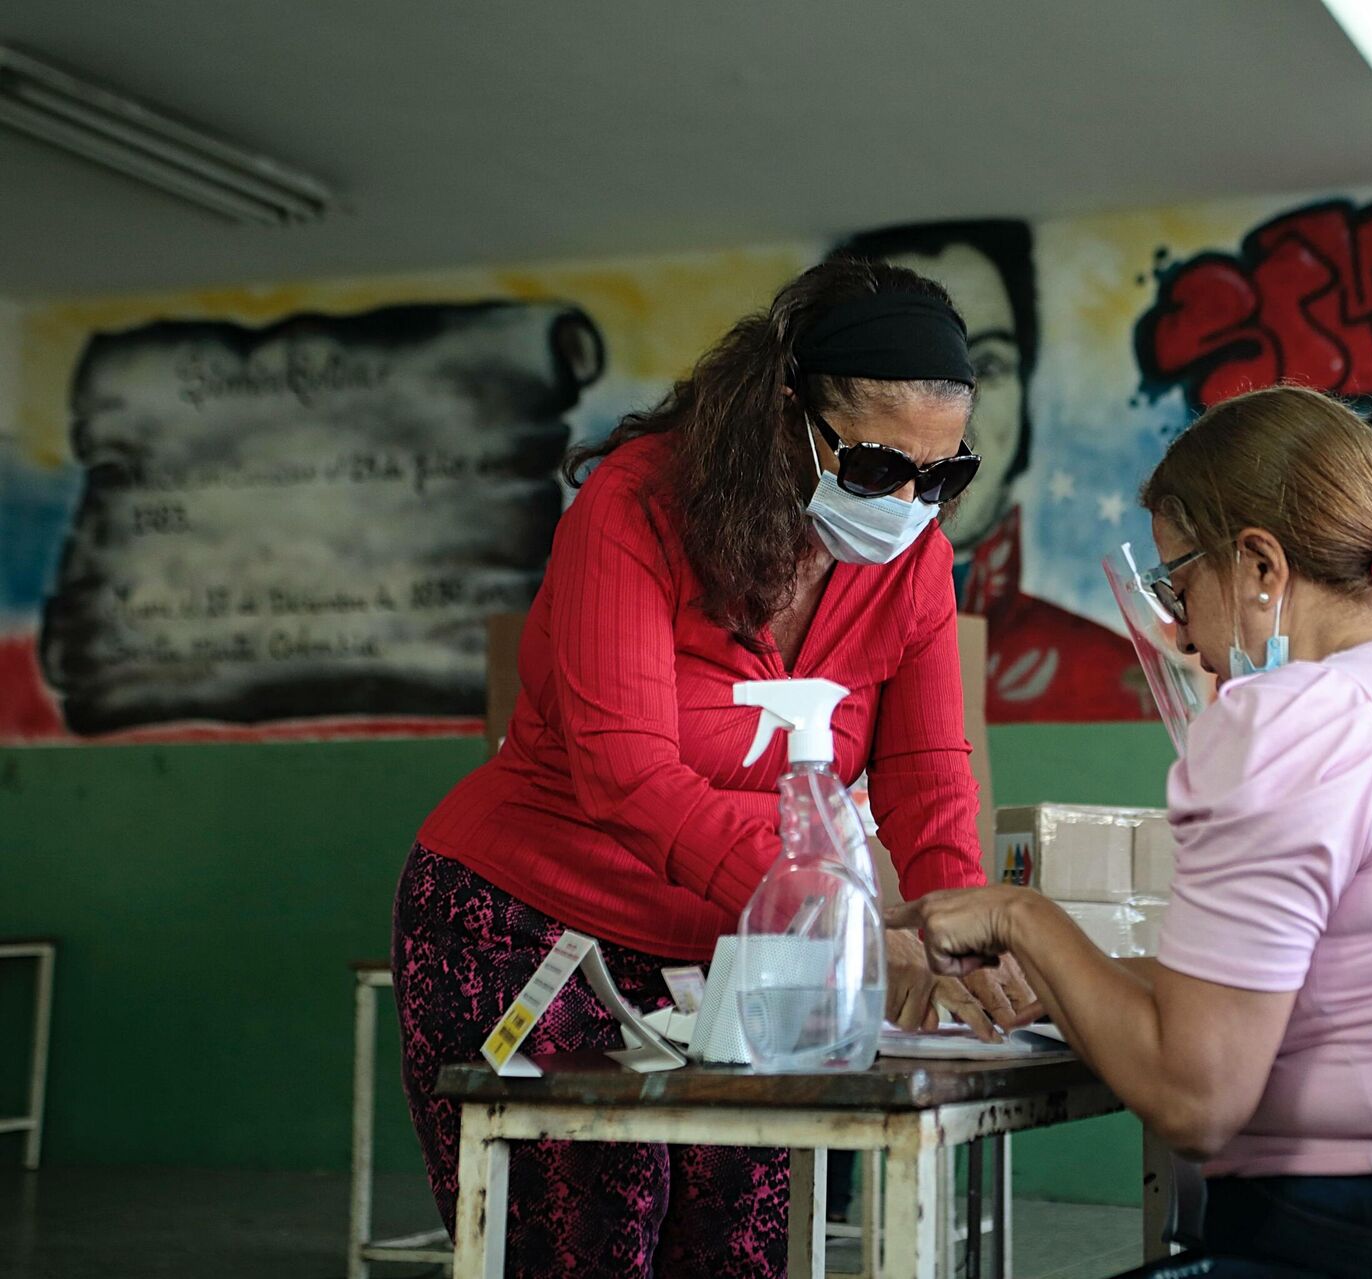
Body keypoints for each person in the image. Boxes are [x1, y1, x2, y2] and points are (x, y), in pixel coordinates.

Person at [891, 385, 1372, 1278]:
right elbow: (1349, 976)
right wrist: (1077, 978)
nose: (1180, 627)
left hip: (1369, 1232)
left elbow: (1194, 1098)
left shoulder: (1292, 717)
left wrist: (1020, 917)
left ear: (1261, 567)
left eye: (1180, 581)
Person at [393, 258, 1034, 1279]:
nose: (911, 503)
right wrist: (844, 912)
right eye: (875, 468)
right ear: (789, 413)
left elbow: (928, 766)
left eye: (941, 476)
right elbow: (628, 777)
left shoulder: (908, 551)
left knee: (736, 1250)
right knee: (583, 1251)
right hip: (532, 927)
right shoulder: (636, 506)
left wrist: (963, 922)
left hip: (735, 951)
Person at [838, 220, 1150, 722]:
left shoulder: (1111, 680)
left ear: (1027, 396)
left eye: (989, 365)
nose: (951, 411)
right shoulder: (771, 638)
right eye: (903, 375)